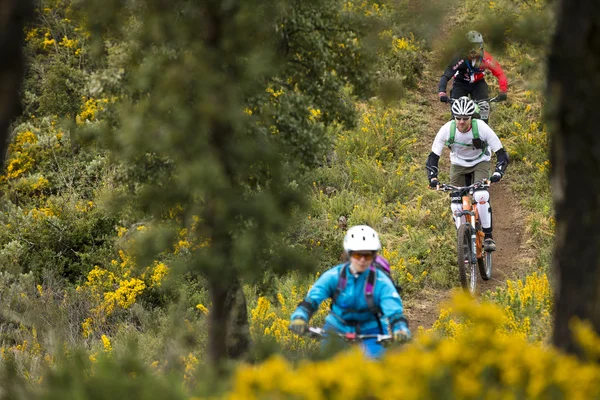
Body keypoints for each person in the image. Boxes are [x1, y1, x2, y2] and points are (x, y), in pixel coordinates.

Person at [289, 225, 411, 358]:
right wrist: (300, 317)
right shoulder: (334, 276)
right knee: (326, 369)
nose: (362, 260)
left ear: (374, 256)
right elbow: (311, 300)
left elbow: (394, 311)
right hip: (336, 329)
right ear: (349, 254)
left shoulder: (381, 282)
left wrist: (400, 329)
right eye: (358, 254)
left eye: (368, 255)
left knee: (375, 371)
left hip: (372, 331)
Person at [425, 96, 509, 251]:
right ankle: (463, 237)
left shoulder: (482, 127)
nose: (461, 122)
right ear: (454, 117)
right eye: (458, 118)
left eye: (465, 118)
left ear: (471, 117)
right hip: (458, 165)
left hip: (480, 162)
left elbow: (502, 154)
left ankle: (488, 236)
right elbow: (433, 157)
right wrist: (433, 177)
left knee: (480, 195)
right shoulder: (447, 129)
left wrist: (498, 172)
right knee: (456, 204)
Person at [438, 30, 508, 124]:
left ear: (481, 46)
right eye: (470, 47)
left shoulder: (486, 57)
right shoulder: (460, 57)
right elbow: (446, 75)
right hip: (461, 83)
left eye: (476, 47)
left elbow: (500, 73)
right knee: (456, 110)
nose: (473, 51)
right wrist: (442, 92)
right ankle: (454, 133)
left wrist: (503, 90)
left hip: (478, 83)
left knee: (484, 108)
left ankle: (483, 133)